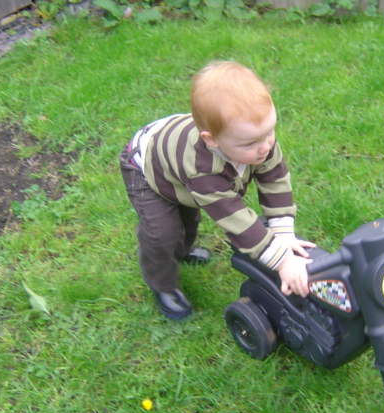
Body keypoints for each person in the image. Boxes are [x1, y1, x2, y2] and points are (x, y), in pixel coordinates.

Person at [120, 60, 314, 321]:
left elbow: (275, 180)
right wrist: (283, 261)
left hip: (176, 164)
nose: (265, 147)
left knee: (188, 220)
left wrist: (283, 233)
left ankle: (182, 250)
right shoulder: (202, 169)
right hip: (146, 167)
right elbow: (235, 218)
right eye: (250, 143)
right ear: (212, 140)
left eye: (269, 132)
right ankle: (163, 285)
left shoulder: (260, 139)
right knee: (163, 233)